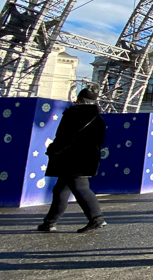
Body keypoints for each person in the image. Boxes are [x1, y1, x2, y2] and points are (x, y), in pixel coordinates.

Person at [38, 88, 106, 233]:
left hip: (71, 158)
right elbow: (100, 140)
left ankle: (97, 219)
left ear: (79, 99)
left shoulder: (73, 113)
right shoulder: (97, 117)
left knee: (80, 187)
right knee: (61, 189)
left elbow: (64, 136)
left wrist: (53, 149)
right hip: (87, 158)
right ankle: (49, 222)